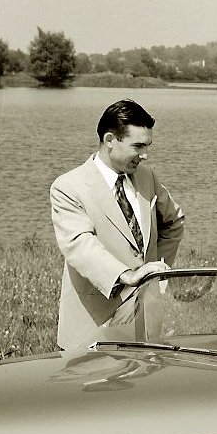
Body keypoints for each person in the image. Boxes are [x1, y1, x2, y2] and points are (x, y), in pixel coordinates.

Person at [50, 99, 186, 352]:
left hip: (145, 325)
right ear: (110, 140)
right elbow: (79, 244)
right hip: (93, 324)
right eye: (138, 146)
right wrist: (127, 277)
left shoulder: (148, 177)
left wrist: (157, 275)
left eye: (148, 146)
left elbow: (174, 223)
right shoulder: (68, 187)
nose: (145, 155)